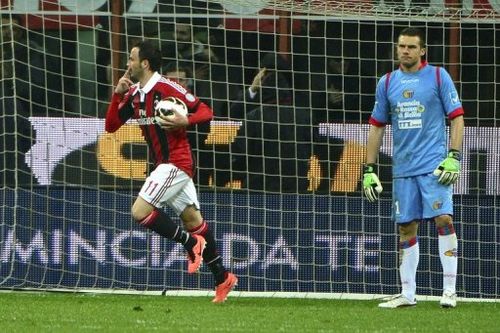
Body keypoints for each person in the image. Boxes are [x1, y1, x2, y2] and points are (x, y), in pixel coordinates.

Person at [105, 40, 237, 303]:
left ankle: (191, 244)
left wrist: (186, 119)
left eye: (131, 59)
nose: (127, 64)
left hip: (176, 162)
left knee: (139, 212)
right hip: (162, 165)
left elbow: (206, 111)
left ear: (145, 63)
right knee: (193, 221)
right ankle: (222, 277)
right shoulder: (133, 95)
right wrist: (117, 95)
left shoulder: (167, 87)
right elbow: (111, 126)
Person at [362, 27, 464, 308]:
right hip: (403, 169)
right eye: (401, 46)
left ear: (422, 51)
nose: (404, 50)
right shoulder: (387, 82)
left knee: (444, 220)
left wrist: (454, 156)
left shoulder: (437, 76)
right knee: (406, 228)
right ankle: (408, 294)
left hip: (434, 165)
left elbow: (457, 118)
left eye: (410, 47)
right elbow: (376, 127)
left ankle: (450, 291)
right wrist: (369, 170)